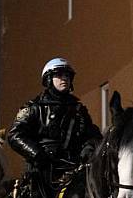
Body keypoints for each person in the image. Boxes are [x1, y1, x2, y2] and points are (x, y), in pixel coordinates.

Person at [7, 57, 102, 187]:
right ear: (48, 79)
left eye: (67, 75)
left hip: (72, 170)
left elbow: (94, 136)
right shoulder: (34, 107)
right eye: (59, 75)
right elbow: (15, 135)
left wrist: (88, 150)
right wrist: (37, 154)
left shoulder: (79, 110)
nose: (64, 78)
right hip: (41, 172)